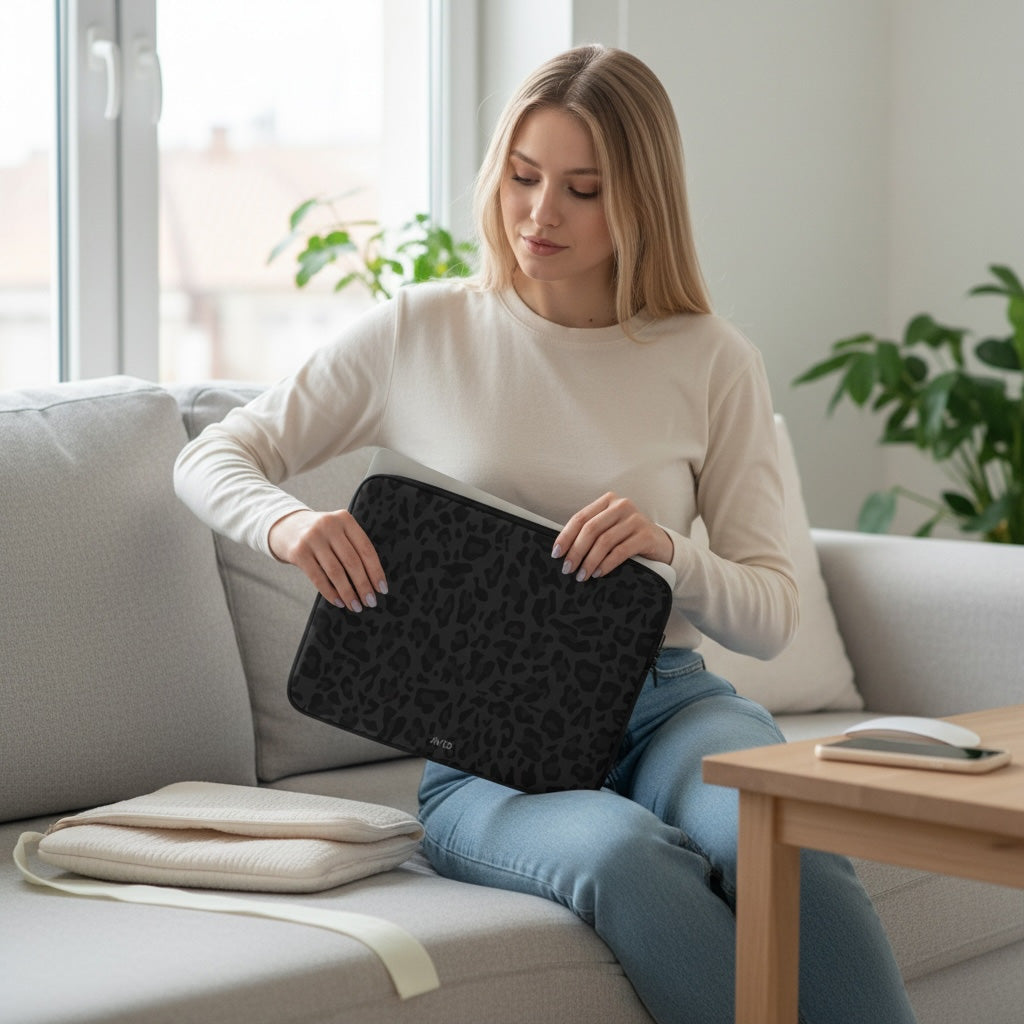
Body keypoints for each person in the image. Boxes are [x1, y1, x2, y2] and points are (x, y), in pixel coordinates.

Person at [174, 44, 916, 1024]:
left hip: (670, 709)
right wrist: (289, 523)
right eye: (523, 177)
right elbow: (212, 457)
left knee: (778, 838)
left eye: (581, 188)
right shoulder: (421, 330)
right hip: (485, 747)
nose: (538, 214)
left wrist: (666, 550)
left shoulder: (709, 359)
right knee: (621, 856)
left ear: (641, 199)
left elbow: (771, 613)